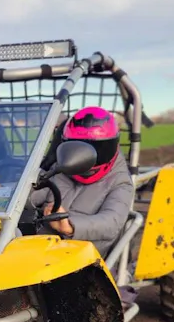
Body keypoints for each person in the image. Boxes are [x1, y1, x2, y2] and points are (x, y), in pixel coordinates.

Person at [29, 106, 134, 258]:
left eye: (99, 150)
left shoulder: (120, 182)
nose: (83, 159)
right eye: (75, 150)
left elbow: (111, 222)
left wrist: (70, 226)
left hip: (85, 261)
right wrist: (9, 194)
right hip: (42, 248)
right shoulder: (60, 169)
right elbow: (35, 193)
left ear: (114, 146)